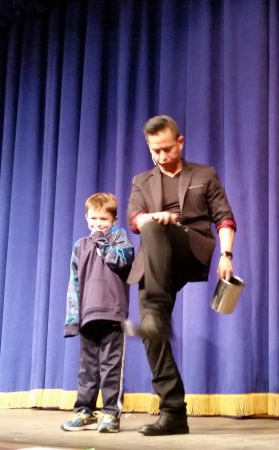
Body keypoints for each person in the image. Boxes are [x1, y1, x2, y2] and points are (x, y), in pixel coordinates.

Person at [126, 115, 236, 436]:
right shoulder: (141, 181)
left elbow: (224, 217)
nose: (161, 156)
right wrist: (151, 217)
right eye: (154, 151)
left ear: (180, 142)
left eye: (166, 149)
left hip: (189, 247)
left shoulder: (204, 174)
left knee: (158, 231)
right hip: (156, 258)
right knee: (151, 329)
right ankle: (174, 412)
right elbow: (134, 220)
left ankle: (155, 308)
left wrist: (227, 256)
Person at [61, 193, 134, 433]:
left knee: (111, 368)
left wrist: (103, 241)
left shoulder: (119, 238)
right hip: (88, 315)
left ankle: (111, 413)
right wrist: (73, 319)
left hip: (112, 315)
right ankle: (84, 410)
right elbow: (74, 283)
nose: (97, 223)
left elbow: (124, 261)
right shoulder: (80, 245)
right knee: (88, 368)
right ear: (86, 218)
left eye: (103, 218)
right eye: (93, 218)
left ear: (113, 219)